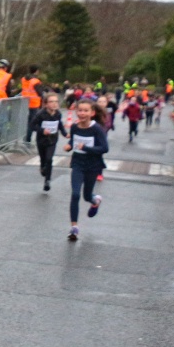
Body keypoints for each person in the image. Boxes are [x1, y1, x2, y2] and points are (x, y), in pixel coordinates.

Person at [64, 98, 109, 241]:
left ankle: (95, 201)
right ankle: (74, 228)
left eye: (85, 111)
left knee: (86, 196)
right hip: (78, 163)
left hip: (93, 165)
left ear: (92, 113)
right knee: (75, 194)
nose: (82, 113)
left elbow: (104, 148)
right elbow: (73, 142)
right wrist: (69, 146)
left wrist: (86, 148)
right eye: (80, 110)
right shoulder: (74, 127)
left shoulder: (97, 129)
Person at [28, 93, 68, 191]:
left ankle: (47, 181)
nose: (54, 104)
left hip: (52, 140)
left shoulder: (58, 113)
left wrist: (65, 133)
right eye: (51, 102)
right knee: (43, 159)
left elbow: (59, 124)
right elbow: (32, 126)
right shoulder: (40, 114)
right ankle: (42, 167)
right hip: (41, 140)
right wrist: (42, 130)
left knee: (49, 159)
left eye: (56, 102)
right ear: (45, 104)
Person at [21, 65, 44, 142]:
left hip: (24, 103)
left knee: (26, 122)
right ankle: (28, 139)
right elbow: (40, 93)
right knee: (32, 123)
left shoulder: (24, 79)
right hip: (34, 104)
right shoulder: (35, 81)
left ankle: (26, 138)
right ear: (36, 71)